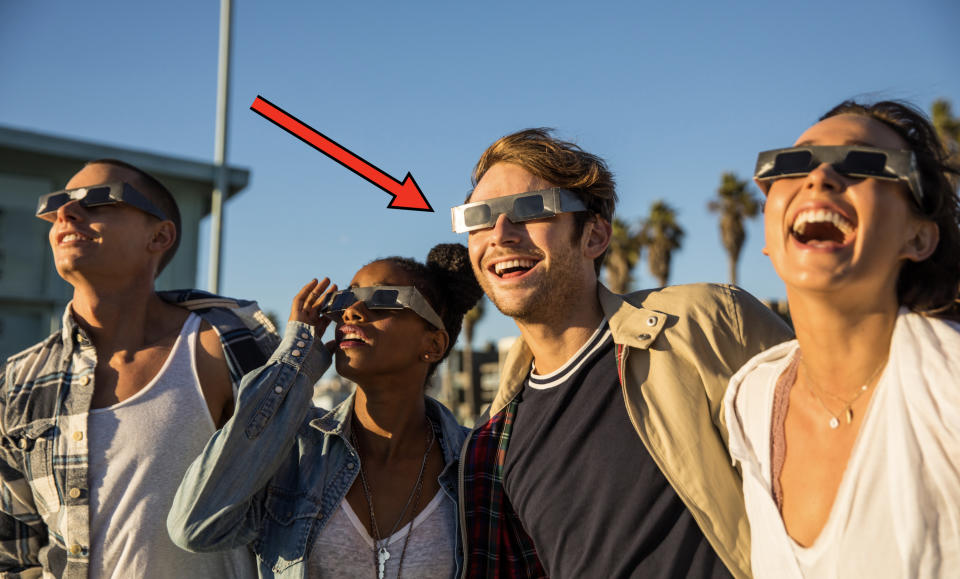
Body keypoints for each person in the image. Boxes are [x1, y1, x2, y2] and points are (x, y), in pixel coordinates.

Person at [452, 128, 793, 578]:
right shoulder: (493, 440)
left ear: (594, 236)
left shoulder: (704, 324)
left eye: (530, 210)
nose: (500, 234)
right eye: (479, 216)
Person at [0, 159, 277, 577]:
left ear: (160, 235)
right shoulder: (19, 380)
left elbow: (296, 500)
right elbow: (11, 552)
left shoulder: (227, 347)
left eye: (97, 200)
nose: (66, 214)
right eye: (56, 204)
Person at [725, 100, 960, 578]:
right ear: (768, 231)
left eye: (865, 163)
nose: (820, 178)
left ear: (918, 238)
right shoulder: (749, 402)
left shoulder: (949, 386)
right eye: (793, 164)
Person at [168, 244, 483, 578]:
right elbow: (195, 526)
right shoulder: (296, 451)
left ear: (433, 344)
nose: (352, 313)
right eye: (345, 300)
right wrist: (295, 358)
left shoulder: (476, 466)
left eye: (384, 299)